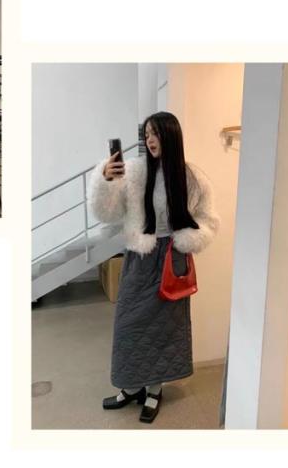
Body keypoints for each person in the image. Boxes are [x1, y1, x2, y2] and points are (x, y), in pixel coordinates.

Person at [88, 112, 219, 424]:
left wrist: (187, 239)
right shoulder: (134, 171)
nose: (150, 140)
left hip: (172, 258)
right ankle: (132, 387)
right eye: (146, 134)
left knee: (163, 330)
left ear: (170, 135)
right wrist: (105, 179)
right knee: (128, 326)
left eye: (155, 133)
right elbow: (107, 213)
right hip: (141, 257)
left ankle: (154, 391)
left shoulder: (192, 177)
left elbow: (208, 219)